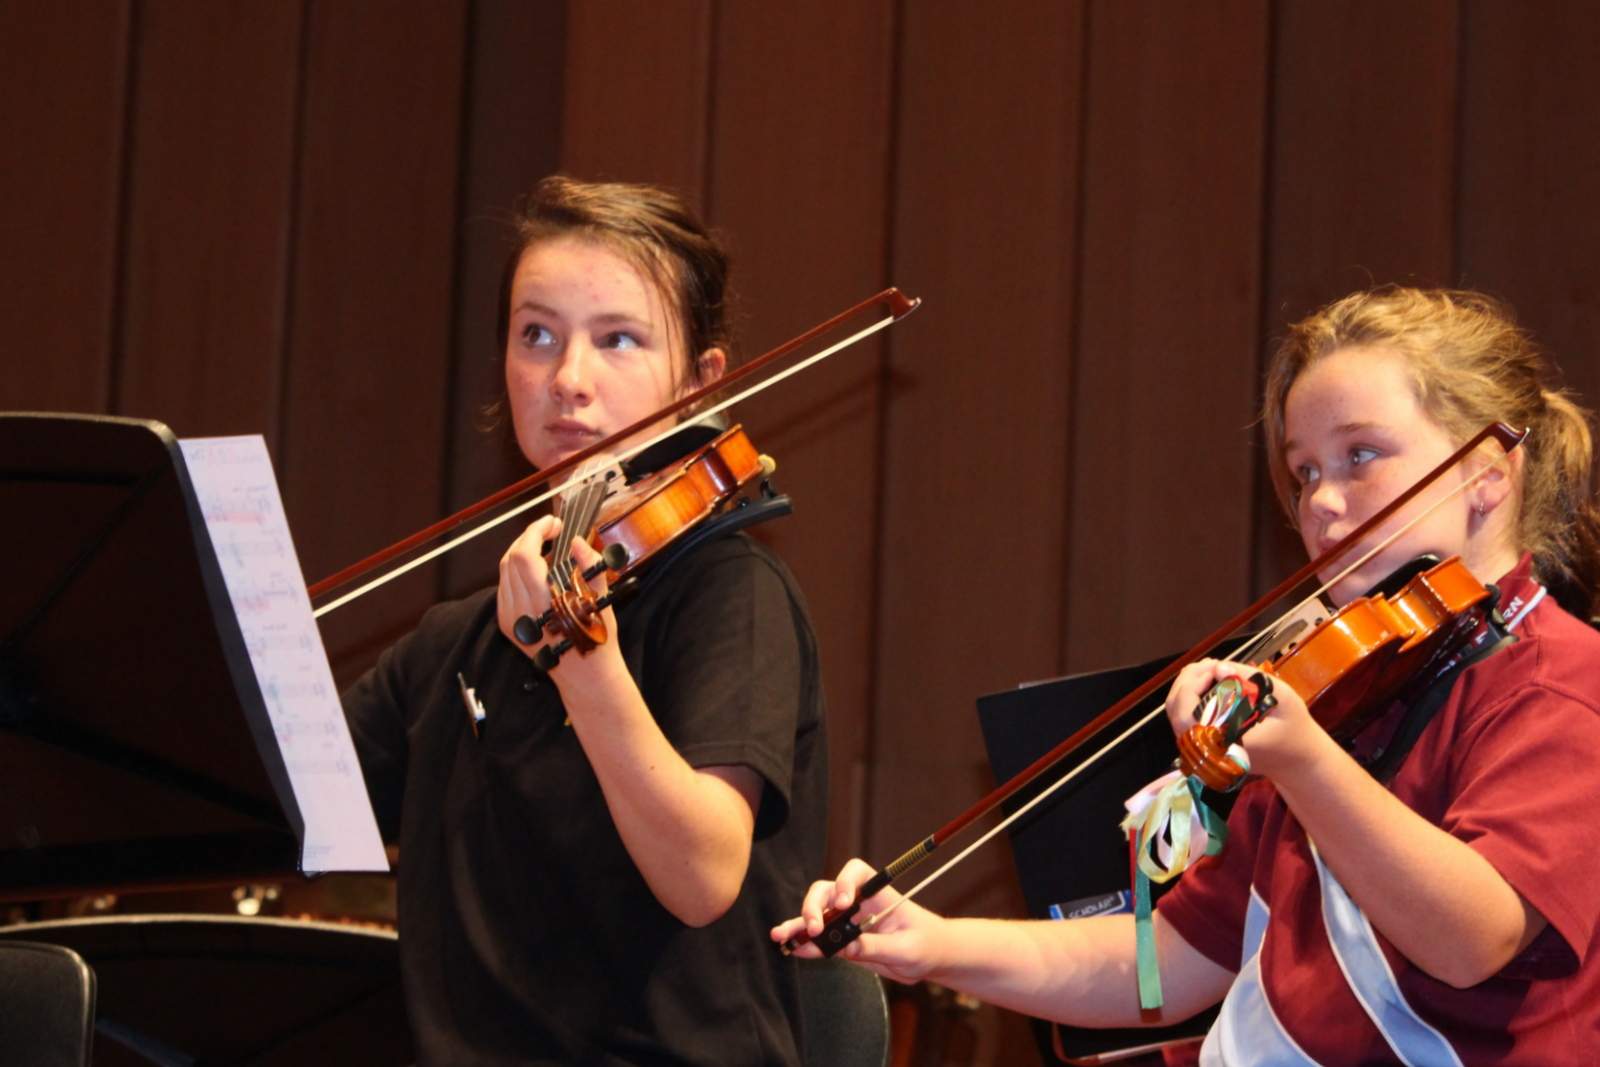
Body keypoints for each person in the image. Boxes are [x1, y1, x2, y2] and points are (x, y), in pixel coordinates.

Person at [774, 287, 1600, 1063]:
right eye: (1305, 469)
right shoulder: (1348, 688)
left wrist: (1305, 760)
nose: (1321, 501)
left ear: (1488, 471)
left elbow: (1471, 938)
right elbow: (1168, 961)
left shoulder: (1559, 686)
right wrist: (931, 944)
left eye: (1361, 455)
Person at [344, 176, 827, 1065]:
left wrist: (578, 652)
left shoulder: (729, 593)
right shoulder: (455, 639)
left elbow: (701, 875)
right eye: (537, 335)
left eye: (617, 340)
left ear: (700, 381)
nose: (567, 379)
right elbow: (290, 801)